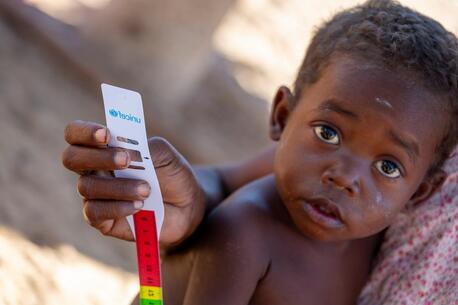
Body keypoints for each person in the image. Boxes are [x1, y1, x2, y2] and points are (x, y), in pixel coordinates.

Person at [62, 1, 458, 304]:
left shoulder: (366, 238)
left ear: (421, 192)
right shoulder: (244, 236)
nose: (345, 176)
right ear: (282, 116)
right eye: (328, 132)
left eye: (387, 166)